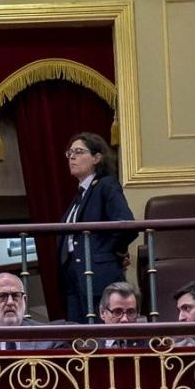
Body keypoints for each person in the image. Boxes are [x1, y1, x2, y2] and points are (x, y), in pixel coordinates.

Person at [58, 131, 136, 324]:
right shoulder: (79, 196)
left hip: (98, 275)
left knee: (101, 334)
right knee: (80, 337)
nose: (72, 157)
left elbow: (126, 223)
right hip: (75, 278)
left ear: (96, 158)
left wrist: (115, 252)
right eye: (69, 153)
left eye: (78, 151)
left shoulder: (105, 186)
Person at [98, 281, 145, 349]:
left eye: (130, 312)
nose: (124, 319)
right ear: (102, 313)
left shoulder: (151, 346)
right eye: (117, 312)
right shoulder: (89, 346)